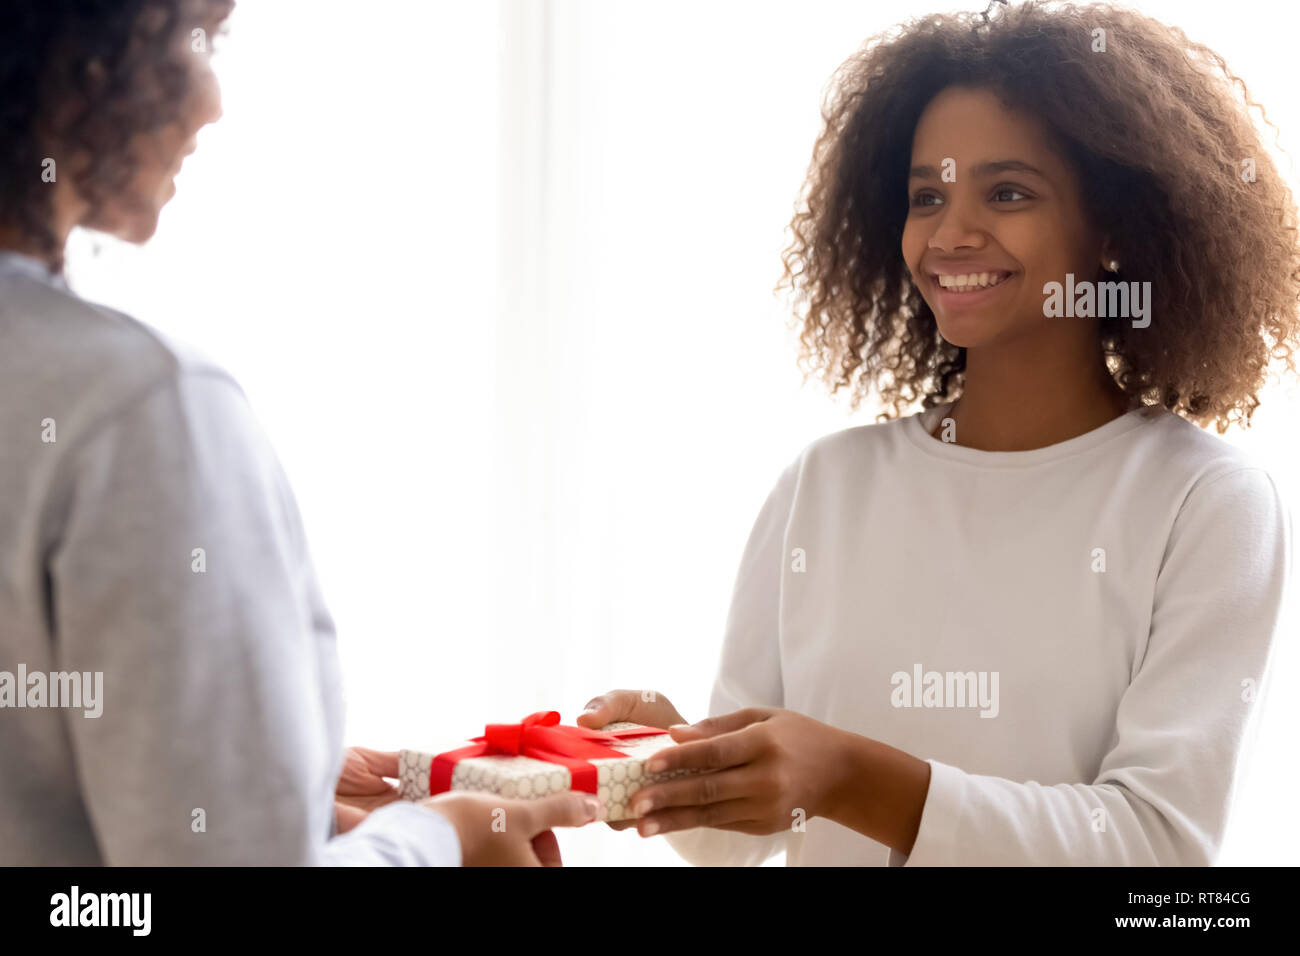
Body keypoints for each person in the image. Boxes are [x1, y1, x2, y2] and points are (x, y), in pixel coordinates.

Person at [579, 1, 1298, 865]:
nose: (951, 234)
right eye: (928, 195)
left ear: (1114, 228)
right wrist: (673, 761)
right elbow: (721, 847)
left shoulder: (1205, 502)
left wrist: (846, 775)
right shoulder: (825, 486)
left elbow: (1156, 852)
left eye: (1007, 192)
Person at [0, 0, 596, 866]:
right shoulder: (140, 407)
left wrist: (284, 789)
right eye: (191, 39)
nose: (210, 100)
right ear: (71, 58)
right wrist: (447, 839)